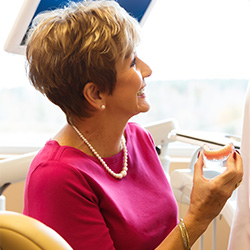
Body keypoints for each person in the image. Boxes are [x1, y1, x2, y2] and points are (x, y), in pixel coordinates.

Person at [23, 1, 243, 249]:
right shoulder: (57, 177)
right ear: (96, 94)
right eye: (132, 63)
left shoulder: (138, 139)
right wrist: (198, 218)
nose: (147, 70)